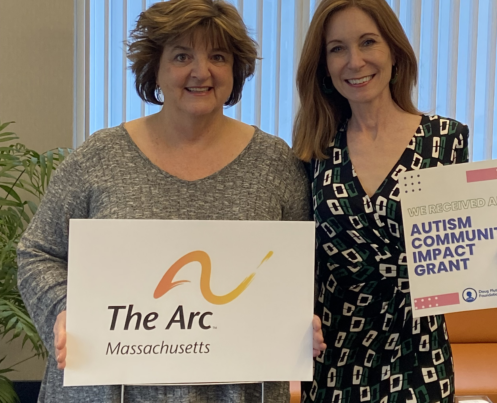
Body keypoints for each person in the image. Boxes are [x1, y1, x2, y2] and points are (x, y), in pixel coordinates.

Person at [17, 0, 308, 402]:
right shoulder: (99, 156)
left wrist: (297, 314)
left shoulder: (275, 164)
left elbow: (301, 266)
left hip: (233, 391)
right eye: (182, 55)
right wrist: (66, 311)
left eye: (218, 56)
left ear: (236, 70)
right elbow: (38, 251)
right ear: (155, 67)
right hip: (108, 390)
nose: (200, 72)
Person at [294, 1, 497, 402]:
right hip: (334, 360)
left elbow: (462, 242)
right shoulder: (314, 150)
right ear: (324, 65)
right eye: (337, 48)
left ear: (394, 52)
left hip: (417, 355)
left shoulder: (445, 141)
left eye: (368, 42)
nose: (355, 61)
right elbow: (301, 254)